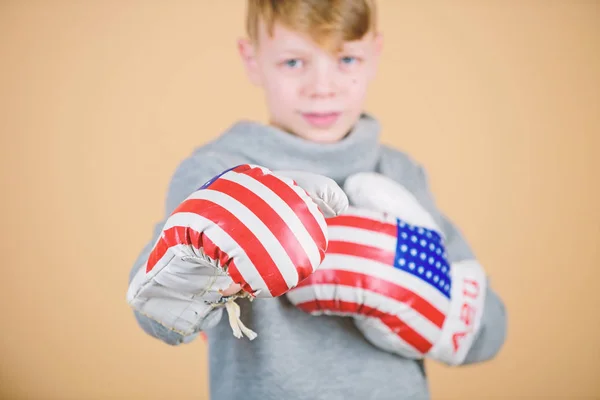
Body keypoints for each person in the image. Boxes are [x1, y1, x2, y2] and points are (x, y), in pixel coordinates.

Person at [126, 1, 507, 399]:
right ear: (252, 60)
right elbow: (153, 313)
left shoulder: (400, 173)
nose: (322, 87)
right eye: (293, 62)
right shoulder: (220, 170)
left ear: (374, 56)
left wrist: (433, 303)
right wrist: (198, 264)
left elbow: (492, 330)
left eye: (346, 58)